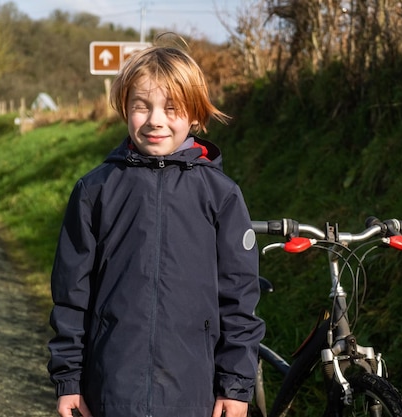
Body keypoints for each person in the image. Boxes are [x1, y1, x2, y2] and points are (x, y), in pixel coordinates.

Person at [47, 44, 265, 417]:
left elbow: (240, 299)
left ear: (195, 114)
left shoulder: (222, 195)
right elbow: (71, 293)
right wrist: (69, 380)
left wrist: (236, 387)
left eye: (172, 108)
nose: (155, 120)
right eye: (141, 106)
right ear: (124, 108)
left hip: (193, 392)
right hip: (111, 388)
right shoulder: (95, 190)